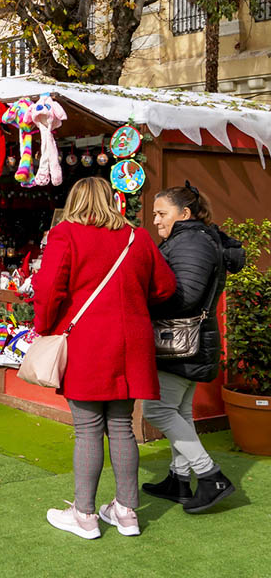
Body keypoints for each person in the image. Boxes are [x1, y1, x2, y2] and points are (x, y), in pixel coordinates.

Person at [32, 177, 176, 540]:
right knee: (121, 427)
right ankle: (126, 512)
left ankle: (84, 514)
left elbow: (48, 289)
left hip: (87, 341)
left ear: (74, 200)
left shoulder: (66, 233)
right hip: (131, 342)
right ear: (113, 201)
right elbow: (164, 287)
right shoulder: (137, 236)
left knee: (87, 430)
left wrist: (45, 326)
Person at [142, 183, 245, 514]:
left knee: (157, 411)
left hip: (181, 342)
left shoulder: (191, 241)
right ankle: (179, 479)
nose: (155, 220)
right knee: (179, 411)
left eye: (161, 213)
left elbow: (184, 296)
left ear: (184, 214)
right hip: (192, 342)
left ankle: (210, 476)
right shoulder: (193, 238)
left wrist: (144, 297)